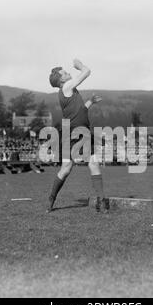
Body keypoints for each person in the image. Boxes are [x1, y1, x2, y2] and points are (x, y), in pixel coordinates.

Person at [46, 59, 109, 213]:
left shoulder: (70, 91)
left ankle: (51, 199)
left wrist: (90, 102)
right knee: (92, 163)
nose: (68, 73)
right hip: (77, 130)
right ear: (61, 80)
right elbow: (86, 71)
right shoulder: (67, 86)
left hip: (71, 130)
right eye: (65, 73)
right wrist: (79, 65)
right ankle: (101, 201)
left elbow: (81, 110)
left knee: (67, 168)